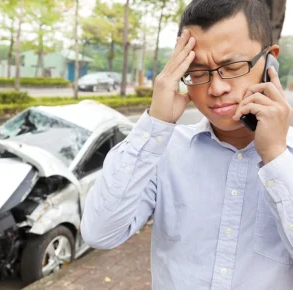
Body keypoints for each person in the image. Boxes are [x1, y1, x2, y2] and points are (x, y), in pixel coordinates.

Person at [81, 0, 293, 289]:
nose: (216, 88)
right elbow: (99, 232)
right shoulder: (162, 151)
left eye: (232, 66)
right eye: (197, 71)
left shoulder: (287, 161)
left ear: (270, 62)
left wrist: (276, 158)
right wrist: (155, 123)